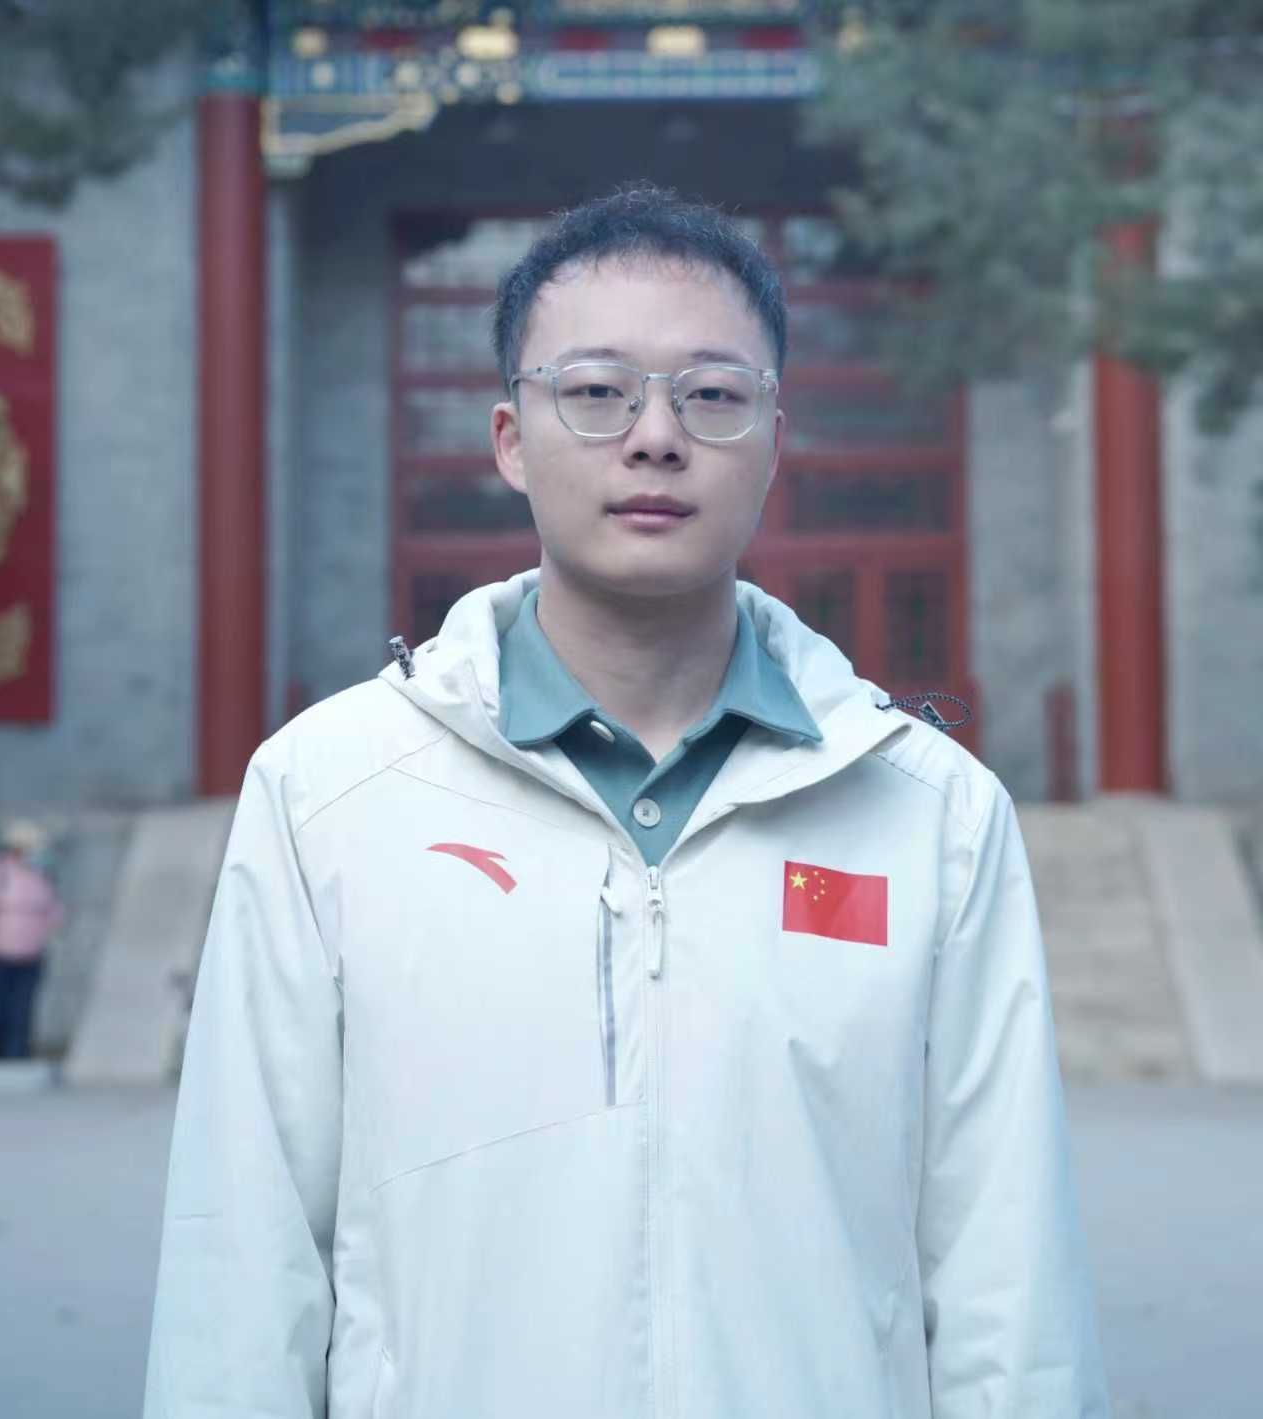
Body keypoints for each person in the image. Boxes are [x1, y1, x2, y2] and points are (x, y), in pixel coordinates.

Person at [144, 185, 1111, 1418]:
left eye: (709, 396)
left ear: (772, 439)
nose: (654, 437)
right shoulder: (328, 792)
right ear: (510, 439)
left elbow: (1004, 1286)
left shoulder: (930, 816)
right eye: (596, 391)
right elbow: (244, 1263)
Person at [0, 817, 64, 1061]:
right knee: (0, 1009)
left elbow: (54, 912)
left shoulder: (40, 876)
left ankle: (18, 1055)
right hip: (0, 955)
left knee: (23, 1009)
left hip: (31, 956)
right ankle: (0, 1056)